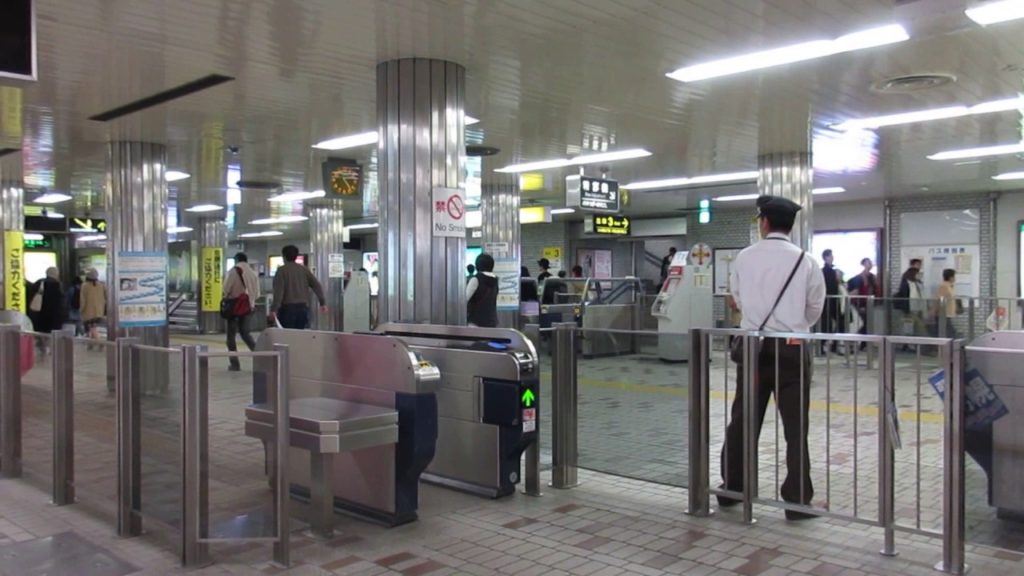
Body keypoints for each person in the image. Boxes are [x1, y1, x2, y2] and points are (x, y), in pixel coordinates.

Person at [721, 195, 825, 521]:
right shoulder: (806, 261)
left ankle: (733, 487)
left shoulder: (744, 258)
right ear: (790, 225)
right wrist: (793, 324)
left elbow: (735, 299)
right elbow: (814, 308)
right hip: (792, 350)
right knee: (795, 427)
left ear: (763, 222)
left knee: (743, 420)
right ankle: (796, 500)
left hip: (752, 347)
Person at [269, 245, 327, 330]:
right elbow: (316, 285)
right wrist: (322, 303)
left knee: (287, 337)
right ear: (296, 256)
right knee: (299, 335)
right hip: (303, 309)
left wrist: (274, 309)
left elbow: (279, 293)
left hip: (287, 310)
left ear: (284, 256)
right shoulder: (304, 270)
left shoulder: (281, 271)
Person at [223, 252, 261, 371]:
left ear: (236, 260)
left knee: (231, 337)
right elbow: (258, 294)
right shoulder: (253, 273)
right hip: (249, 308)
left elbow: (226, 289)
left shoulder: (233, 271)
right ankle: (261, 358)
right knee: (245, 334)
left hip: (234, 308)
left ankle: (235, 364)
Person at [33, 267, 67, 354]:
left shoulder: (39, 283)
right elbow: (61, 302)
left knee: (42, 331)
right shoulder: (58, 285)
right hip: (54, 315)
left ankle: (43, 347)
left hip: (40, 313)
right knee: (53, 332)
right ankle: (50, 349)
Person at [847, 258, 880, 343]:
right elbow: (857, 291)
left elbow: (875, 289)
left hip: (868, 303)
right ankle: (856, 339)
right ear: (864, 264)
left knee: (867, 323)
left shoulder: (872, 277)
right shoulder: (860, 277)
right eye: (868, 263)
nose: (870, 265)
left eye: (870, 263)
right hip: (861, 303)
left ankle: (862, 342)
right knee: (864, 323)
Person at [820, 250, 843, 352]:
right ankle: (823, 344)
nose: (832, 257)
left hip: (833, 300)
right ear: (826, 257)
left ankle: (833, 344)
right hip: (828, 300)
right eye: (830, 256)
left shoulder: (833, 270)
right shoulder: (825, 271)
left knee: (838, 322)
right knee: (826, 323)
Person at [466, 253, 498, 327]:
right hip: (491, 321)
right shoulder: (495, 279)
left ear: (477, 265)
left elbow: (465, 298)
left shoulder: (476, 279)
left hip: (476, 322)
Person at [80, 268, 106, 346]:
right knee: (92, 327)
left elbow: (82, 300)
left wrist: (81, 310)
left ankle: (99, 342)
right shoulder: (101, 285)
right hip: (99, 310)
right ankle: (90, 344)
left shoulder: (84, 285)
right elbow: (106, 296)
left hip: (88, 311)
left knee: (92, 327)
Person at [935, 268, 958, 338]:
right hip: (944, 314)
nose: (955, 278)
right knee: (951, 332)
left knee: (950, 332)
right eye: (954, 276)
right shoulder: (944, 286)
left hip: (948, 313)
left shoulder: (950, 286)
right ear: (951, 277)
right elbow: (939, 299)